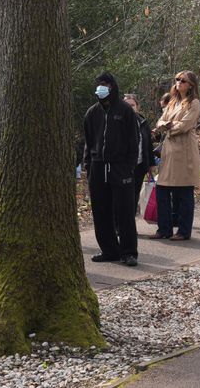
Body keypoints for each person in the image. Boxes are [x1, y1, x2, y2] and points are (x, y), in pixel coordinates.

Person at [83, 71, 140, 267]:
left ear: (112, 87)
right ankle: (109, 250)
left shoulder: (124, 110)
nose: (102, 88)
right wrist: (88, 166)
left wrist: (129, 167)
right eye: (99, 85)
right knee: (101, 211)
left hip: (120, 167)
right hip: (98, 167)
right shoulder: (92, 113)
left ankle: (129, 252)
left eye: (105, 85)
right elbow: (88, 142)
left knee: (124, 212)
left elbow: (134, 140)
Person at [150, 71, 200, 241]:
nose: (179, 82)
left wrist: (167, 125)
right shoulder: (172, 102)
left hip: (184, 151)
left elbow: (185, 126)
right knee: (162, 190)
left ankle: (184, 231)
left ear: (191, 84)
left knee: (184, 192)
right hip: (169, 151)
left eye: (183, 80)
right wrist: (166, 124)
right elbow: (160, 122)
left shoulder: (194, 103)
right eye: (177, 79)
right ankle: (164, 228)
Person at [123, 93, 157, 204]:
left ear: (137, 107)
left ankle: (130, 219)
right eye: (126, 105)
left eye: (132, 105)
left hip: (139, 166)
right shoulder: (117, 122)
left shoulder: (143, 122)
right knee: (123, 197)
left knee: (134, 196)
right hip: (123, 167)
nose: (129, 108)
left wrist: (151, 164)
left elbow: (148, 145)